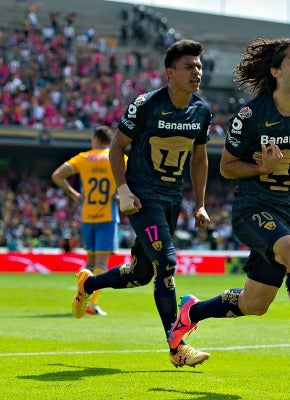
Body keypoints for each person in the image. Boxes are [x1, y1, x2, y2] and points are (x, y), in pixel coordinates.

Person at [168, 37, 290, 368]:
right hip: (251, 208)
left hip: (286, 211)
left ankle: (191, 312)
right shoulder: (251, 115)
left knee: (255, 303)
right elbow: (226, 167)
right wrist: (261, 167)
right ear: (275, 71)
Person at [70, 39, 213, 368]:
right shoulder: (146, 105)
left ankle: (88, 283)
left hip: (172, 199)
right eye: (189, 67)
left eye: (199, 66)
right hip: (141, 197)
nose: (197, 72)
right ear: (170, 73)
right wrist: (122, 189)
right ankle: (177, 345)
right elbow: (117, 146)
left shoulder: (202, 111)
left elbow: (200, 157)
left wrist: (201, 203)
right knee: (167, 263)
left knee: (140, 273)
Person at [52, 125, 125, 316]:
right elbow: (134, 178)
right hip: (107, 216)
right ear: (110, 141)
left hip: (87, 216)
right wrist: (121, 195)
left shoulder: (83, 157)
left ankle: (82, 297)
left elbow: (57, 175)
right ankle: (92, 303)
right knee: (101, 263)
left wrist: (74, 194)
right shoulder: (117, 157)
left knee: (90, 263)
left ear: (95, 139)